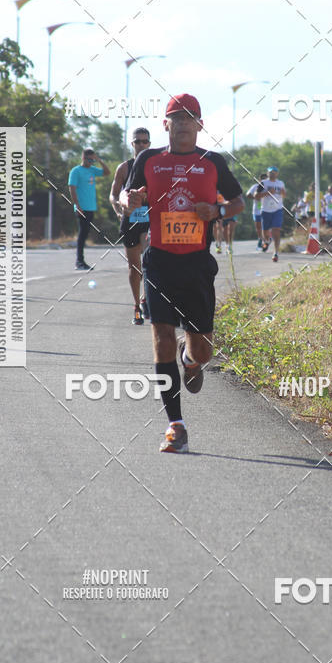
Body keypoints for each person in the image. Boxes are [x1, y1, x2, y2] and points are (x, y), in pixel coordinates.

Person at [121, 94, 244, 453]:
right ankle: (176, 425)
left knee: (203, 349)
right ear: (166, 124)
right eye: (177, 117)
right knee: (161, 335)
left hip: (197, 263)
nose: (184, 123)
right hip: (159, 261)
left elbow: (238, 201)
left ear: (200, 124)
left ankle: (189, 359)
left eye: (190, 117)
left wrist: (217, 212)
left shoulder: (213, 162)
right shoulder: (149, 159)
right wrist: (132, 201)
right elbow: (129, 197)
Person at [109, 127, 152, 325]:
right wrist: (118, 210)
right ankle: (136, 306)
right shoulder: (124, 168)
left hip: (149, 219)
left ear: (149, 144)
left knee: (151, 262)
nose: (141, 145)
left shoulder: (154, 166)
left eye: (145, 141)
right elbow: (113, 194)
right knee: (135, 268)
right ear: (132, 144)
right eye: (138, 142)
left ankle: (146, 299)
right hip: (130, 219)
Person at [68, 147, 110, 270]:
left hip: (91, 207)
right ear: (83, 158)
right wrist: (77, 205)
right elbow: (72, 189)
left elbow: (107, 172)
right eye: (89, 160)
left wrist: (99, 160)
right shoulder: (76, 171)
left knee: (85, 233)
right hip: (81, 207)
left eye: (93, 160)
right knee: (82, 233)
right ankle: (79, 261)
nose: (91, 162)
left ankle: (80, 260)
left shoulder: (92, 170)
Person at [257, 165, 286, 262]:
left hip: (278, 209)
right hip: (266, 210)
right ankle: (267, 240)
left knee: (276, 230)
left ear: (277, 174)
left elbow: (284, 195)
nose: (272, 174)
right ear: (267, 173)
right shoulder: (263, 183)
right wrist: (268, 193)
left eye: (274, 172)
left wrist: (283, 193)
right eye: (270, 172)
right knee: (265, 231)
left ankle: (275, 252)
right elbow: (256, 196)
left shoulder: (281, 183)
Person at [246, 179, 264, 248]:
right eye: (262, 180)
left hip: (267, 209)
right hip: (257, 210)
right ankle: (260, 239)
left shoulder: (268, 186)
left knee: (266, 226)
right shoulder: (255, 186)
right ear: (259, 180)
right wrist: (256, 197)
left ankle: (266, 240)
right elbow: (248, 195)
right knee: (258, 226)